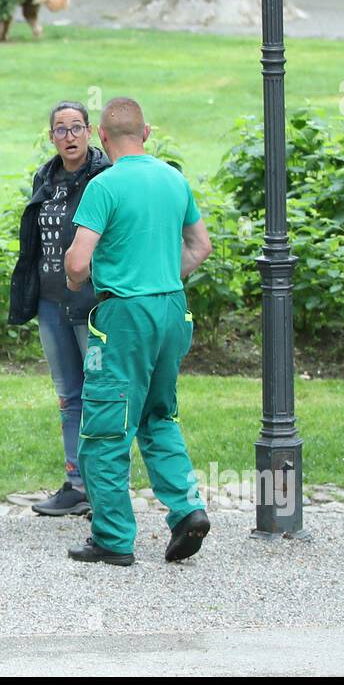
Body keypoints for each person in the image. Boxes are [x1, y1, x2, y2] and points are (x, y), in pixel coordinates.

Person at [63, 97, 213, 566]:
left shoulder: (103, 185)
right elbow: (201, 246)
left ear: (102, 139)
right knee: (159, 416)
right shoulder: (174, 179)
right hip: (172, 309)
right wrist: (164, 277)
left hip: (124, 316)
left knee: (107, 429)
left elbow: (78, 261)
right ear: (146, 133)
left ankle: (112, 539)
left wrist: (74, 281)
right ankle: (187, 510)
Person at [8, 101, 110, 516]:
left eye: (76, 128)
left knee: (101, 392)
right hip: (51, 302)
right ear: (51, 136)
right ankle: (76, 484)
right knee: (69, 396)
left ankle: (105, 487)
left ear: (90, 132)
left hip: (92, 304)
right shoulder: (44, 179)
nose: (69, 136)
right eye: (60, 129)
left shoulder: (105, 178)